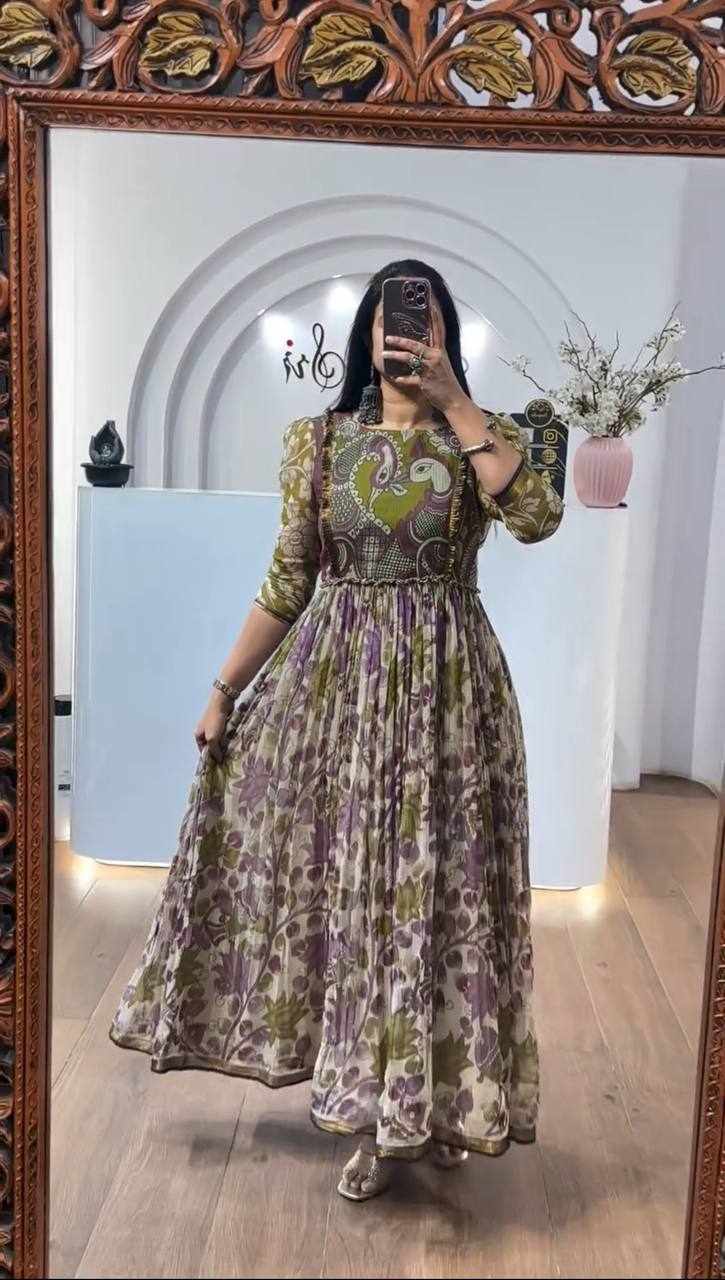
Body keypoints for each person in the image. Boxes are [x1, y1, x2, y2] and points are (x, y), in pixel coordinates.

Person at [109, 258, 565, 1202]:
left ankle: (432, 1102)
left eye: (426, 322)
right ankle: (369, 1112)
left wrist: (456, 403)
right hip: (337, 697)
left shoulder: (484, 438)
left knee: (442, 898)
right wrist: (224, 691)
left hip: (450, 703)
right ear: (366, 334)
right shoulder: (317, 444)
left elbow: (537, 518)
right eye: (393, 321)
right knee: (359, 895)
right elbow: (288, 578)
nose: (406, 337)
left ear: (446, 336)